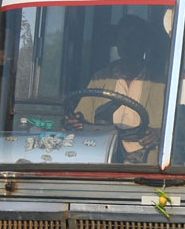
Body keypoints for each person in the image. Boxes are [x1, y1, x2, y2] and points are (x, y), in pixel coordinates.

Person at [71, 14, 167, 163]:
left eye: (134, 38)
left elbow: (177, 128)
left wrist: (158, 133)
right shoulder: (101, 77)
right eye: (123, 38)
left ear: (145, 44)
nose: (127, 44)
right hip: (103, 155)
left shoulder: (160, 82)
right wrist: (76, 122)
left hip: (147, 158)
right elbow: (83, 115)